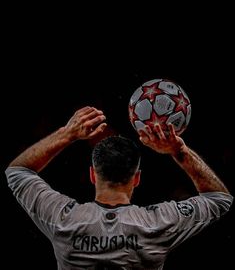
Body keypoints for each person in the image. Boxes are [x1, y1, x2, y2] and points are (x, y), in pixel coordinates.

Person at [5, 106, 233, 270]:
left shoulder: (62, 219)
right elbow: (219, 198)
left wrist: (68, 133)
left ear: (93, 175)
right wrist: (179, 152)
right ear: (137, 179)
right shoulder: (158, 223)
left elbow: (17, 171)